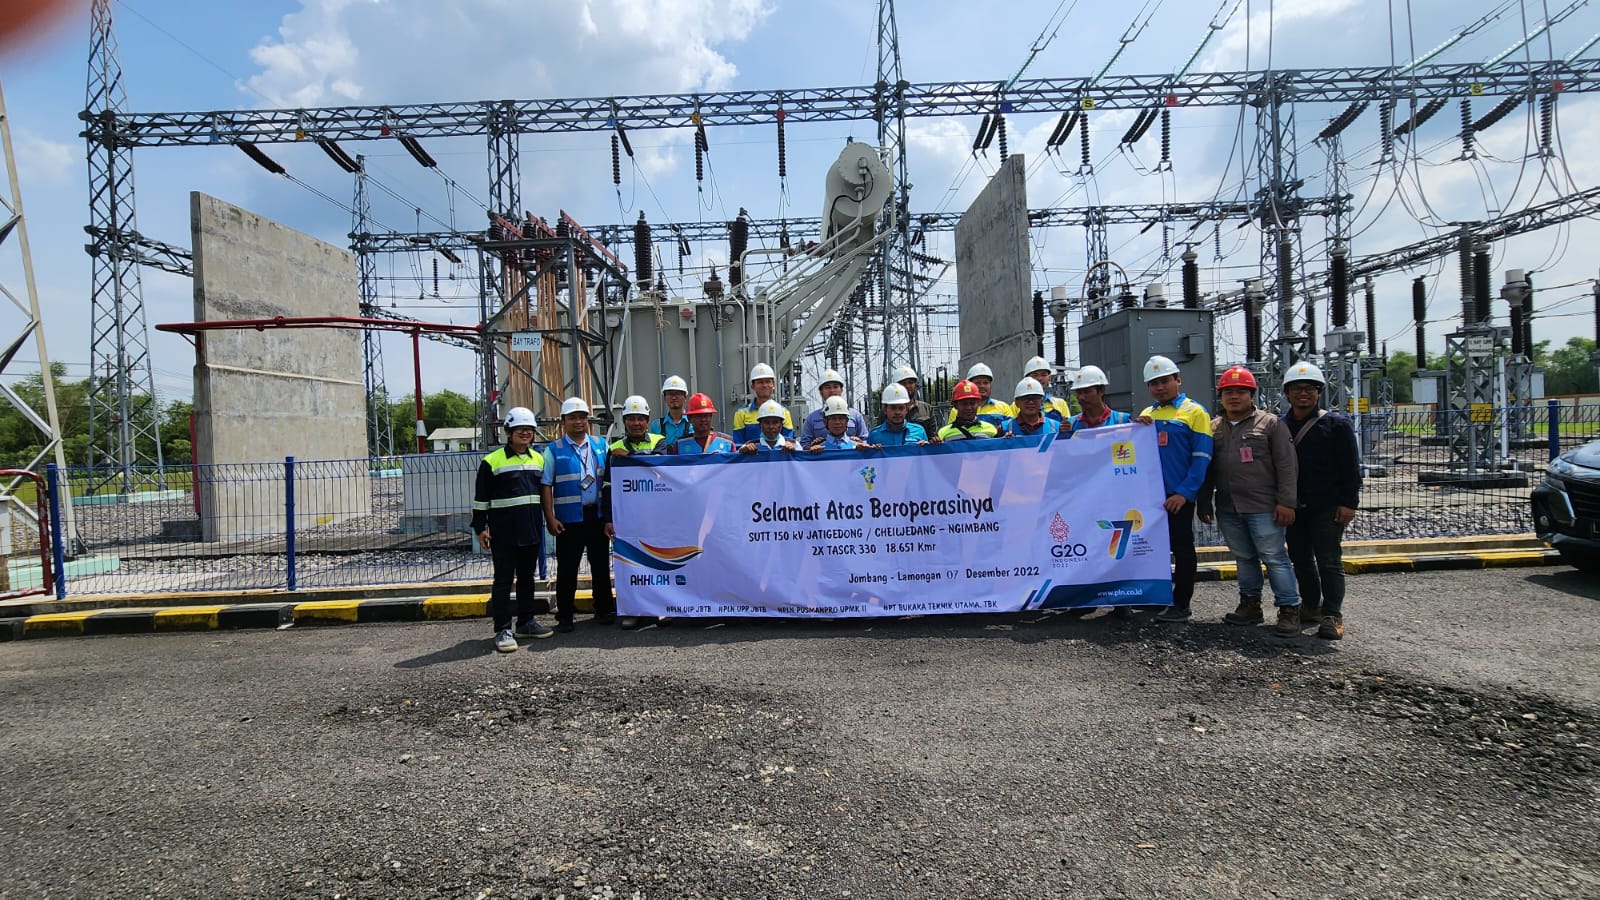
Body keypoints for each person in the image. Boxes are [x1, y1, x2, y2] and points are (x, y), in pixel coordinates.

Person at [1196, 366, 1302, 636]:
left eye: (1241, 391)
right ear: (1220, 396)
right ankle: (1250, 604)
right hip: (1228, 506)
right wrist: (1205, 502)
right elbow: (1207, 468)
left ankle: (1289, 609)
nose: (1234, 397)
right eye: (1228, 392)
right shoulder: (1213, 428)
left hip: (1264, 506)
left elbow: (1287, 465)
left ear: (1252, 395)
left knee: (1274, 557)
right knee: (1244, 557)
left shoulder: (1271, 424)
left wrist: (1286, 502)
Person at [1280, 360, 1362, 641]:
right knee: (1300, 559)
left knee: (1329, 561)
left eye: (1310, 388)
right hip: (1294, 506)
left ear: (1319, 392)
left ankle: (1332, 615)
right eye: (1297, 388)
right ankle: (1311, 606)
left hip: (1327, 506)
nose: (1303, 393)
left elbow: (1351, 467)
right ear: (1287, 393)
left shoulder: (1336, 425)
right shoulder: (1280, 426)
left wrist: (1349, 503)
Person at [1134, 355, 1213, 623]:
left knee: (1182, 548)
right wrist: (1136, 428)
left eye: (1165, 381)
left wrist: (1185, 493)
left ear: (1178, 380)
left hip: (1177, 496)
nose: (1160, 387)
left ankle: (1181, 604)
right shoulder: (1147, 414)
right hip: (1150, 497)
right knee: (1153, 549)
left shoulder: (1195, 412)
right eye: (1154, 383)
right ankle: (1159, 597)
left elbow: (1202, 457)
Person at [471, 406, 554, 652]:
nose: (525, 433)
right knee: (503, 581)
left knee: (527, 579)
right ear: (508, 432)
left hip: (531, 530)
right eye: (519, 429)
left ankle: (526, 622)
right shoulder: (492, 461)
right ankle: (503, 629)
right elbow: (481, 498)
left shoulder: (538, 459)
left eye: (529, 429)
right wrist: (480, 527)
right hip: (504, 533)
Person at [540, 397, 616, 633]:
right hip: (568, 519)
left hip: (597, 516)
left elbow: (610, 480)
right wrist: (550, 518)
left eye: (582, 417)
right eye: (572, 417)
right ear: (563, 421)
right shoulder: (554, 450)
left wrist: (609, 517)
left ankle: (604, 609)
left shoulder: (601, 445)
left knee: (601, 566)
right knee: (567, 569)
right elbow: (546, 485)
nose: (578, 421)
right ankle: (565, 615)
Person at [606, 395, 667, 630]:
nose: (636, 423)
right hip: (627, 518)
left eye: (640, 418)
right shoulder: (614, 449)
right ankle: (632, 610)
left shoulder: (659, 442)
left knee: (659, 562)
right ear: (624, 421)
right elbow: (607, 486)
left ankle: (660, 608)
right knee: (629, 565)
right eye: (631, 419)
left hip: (656, 515)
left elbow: (658, 464)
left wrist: (630, 458)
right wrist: (608, 519)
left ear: (648, 420)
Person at [798, 369, 870, 444]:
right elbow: (804, 444)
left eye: (835, 387)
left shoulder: (855, 415)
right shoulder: (812, 418)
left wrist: (859, 443)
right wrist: (814, 446)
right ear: (821, 392)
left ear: (841, 390)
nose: (832, 390)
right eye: (827, 387)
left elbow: (865, 440)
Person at [731, 362, 794, 445]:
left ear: (773, 385)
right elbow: (737, 444)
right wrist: (746, 448)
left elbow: (789, 442)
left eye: (768, 381)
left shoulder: (784, 412)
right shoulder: (741, 413)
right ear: (752, 386)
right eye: (760, 382)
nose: (764, 385)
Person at [1066, 365, 1133, 433]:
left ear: (1102, 391)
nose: (1081, 397)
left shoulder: (1122, 421)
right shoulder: (1070, 425)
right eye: (1078, 392)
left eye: (1087, 392)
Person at [946, 363, 1013, 430]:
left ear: (990, 385)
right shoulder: (956, 410)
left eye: (985, 383)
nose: (982, 386)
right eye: (977, 383)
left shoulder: (1004, 407)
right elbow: (952, 432)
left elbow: (1012, 429)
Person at [1023, 355, 1072, 425]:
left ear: (1049, 378)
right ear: (1026, 379)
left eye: (1043, 375)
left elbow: (1067, 428)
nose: (1040, 378)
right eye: (1035, 375)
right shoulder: (1017, 405)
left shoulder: (1060, 404)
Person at [892, 364, 936, 433]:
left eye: (911, 382)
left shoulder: (926, 409)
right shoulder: (888, 411)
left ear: (915, 385)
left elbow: (932, 435)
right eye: (903, 383)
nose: (907, 386)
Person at [653, 375, 693, 448]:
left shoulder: (693, 424)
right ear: (664, 398)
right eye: (670, 394)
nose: (674, 397)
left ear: (685, 397)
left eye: (678, 393)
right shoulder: (656, 426)